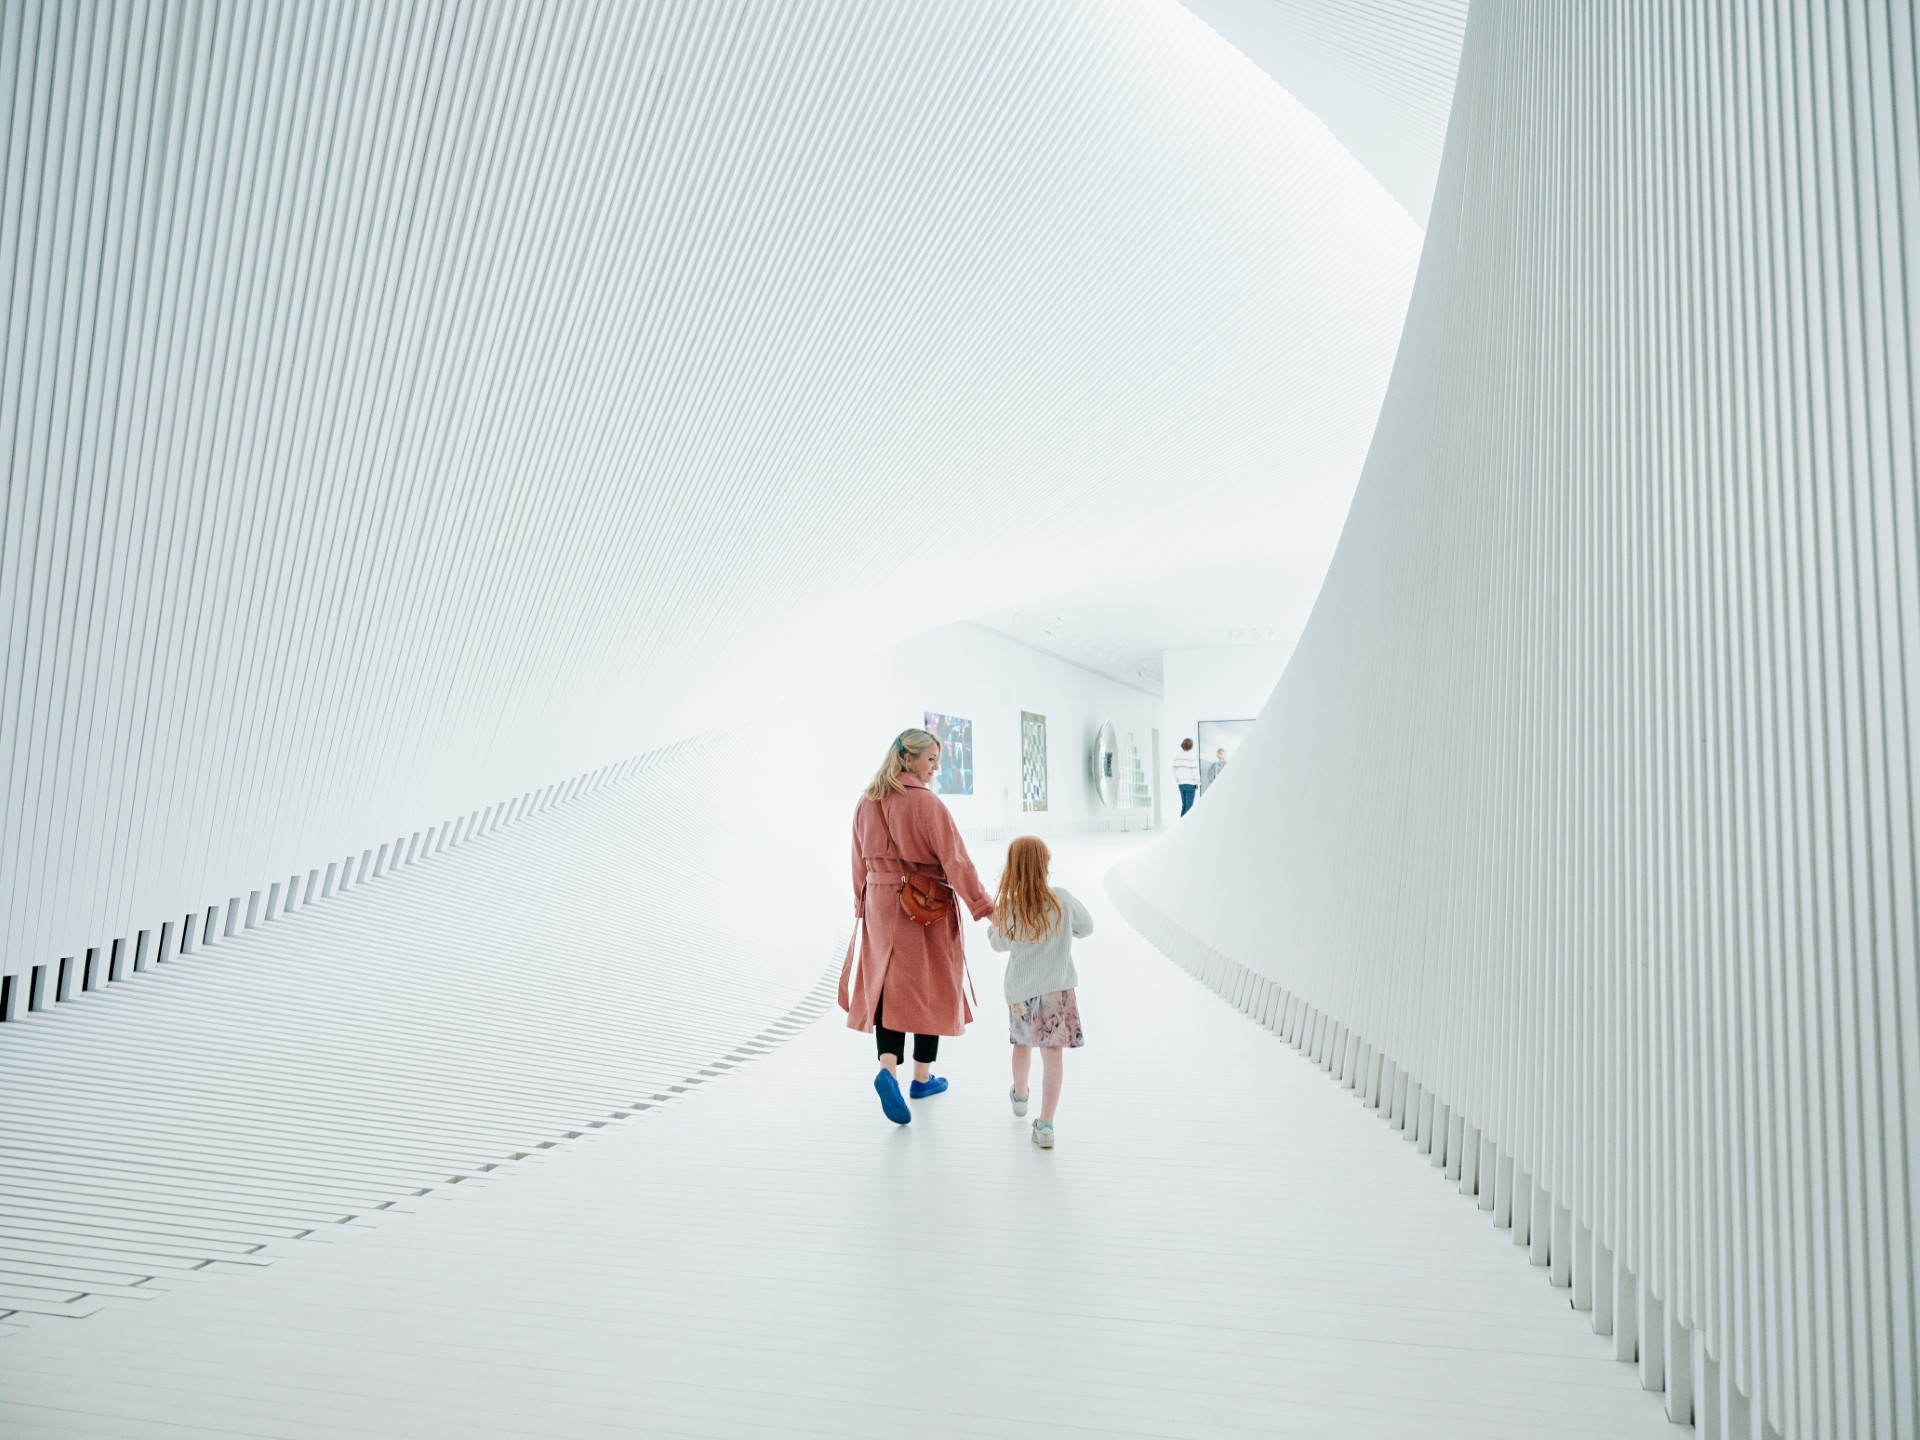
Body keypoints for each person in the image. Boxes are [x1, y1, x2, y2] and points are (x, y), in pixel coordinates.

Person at [840, 727, 993, 1125]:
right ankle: (922, 1078)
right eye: (930, 760)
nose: (935, 769)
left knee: (888, 989)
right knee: (931, 982)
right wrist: (983, 906)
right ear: (907, 758)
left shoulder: (866, 802)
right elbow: (957, 861)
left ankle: (887, 1069)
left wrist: (862, 905)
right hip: (923, 904)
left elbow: (858, 862)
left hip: (879, 902)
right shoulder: (927, 806)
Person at [988, 836, 1092, 1149]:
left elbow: (997, 943)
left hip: (1021, 992)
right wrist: (1064, 930)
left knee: (1022, 1045)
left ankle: (1020, 1097)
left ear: (1012, 868)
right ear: (1045, 864)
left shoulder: (1010, 905)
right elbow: (1086, 927)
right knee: (1053, 1056)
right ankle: (1045, 1125)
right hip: (1057, 990)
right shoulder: (1061, 898)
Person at [1172, 737, 1200, 815]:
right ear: (1191, 746)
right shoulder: (1192, 756)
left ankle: (1181, 826)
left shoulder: (1177, 756)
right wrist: (1198, 782)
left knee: (1184, 806)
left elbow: (1173, 770)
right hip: (1190, 784)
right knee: (1189, 808)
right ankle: (1187, 826)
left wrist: (1177, 779)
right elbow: (1195, 771)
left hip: (1181, 784)